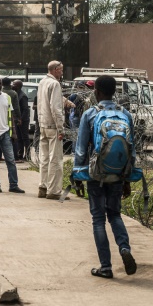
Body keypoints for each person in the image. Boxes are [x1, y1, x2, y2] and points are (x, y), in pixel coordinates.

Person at [73, 75, 137, 279]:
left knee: (98, 219)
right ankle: (125, 249)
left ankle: (106, 267)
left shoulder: (90, 114)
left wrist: (76, 174)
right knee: (115, 215)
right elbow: (132, 150)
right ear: (114, 92)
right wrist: (127, 178)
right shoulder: (125, 114)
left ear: (96, 92)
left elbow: (81, 149)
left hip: (96, 174)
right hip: (118, 174)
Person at [37, 60, 66, 200]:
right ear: (55, 69)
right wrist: (61, 128)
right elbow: (55, 108)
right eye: (60, 70)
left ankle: (42, 187)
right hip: (53, 126)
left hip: (43, 124)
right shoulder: (55, 84)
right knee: (55, 159)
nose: (62, 72)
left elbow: (41, 103)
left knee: (44, 158)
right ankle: (54, 191)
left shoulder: (42, 82)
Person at [12, 80, 29, 162]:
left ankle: (27, 155)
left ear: (18, 86)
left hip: (23, 120)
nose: (12, 85)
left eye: (14, 84)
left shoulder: (23, 96)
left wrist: (21, 119)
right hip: (18, 120)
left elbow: (25, 109)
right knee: (19, 138)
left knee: (25, 137)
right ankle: (20, 154)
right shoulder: (16, 94)